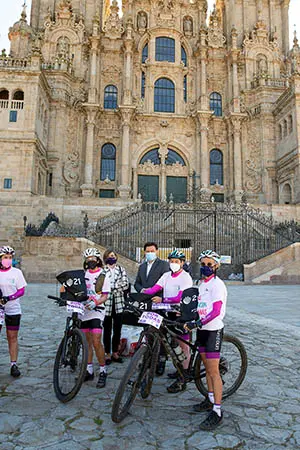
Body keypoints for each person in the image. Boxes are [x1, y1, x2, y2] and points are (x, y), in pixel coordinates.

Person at [184, 249, 227, 431]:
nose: (206, 267)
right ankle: (209, 399)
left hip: (212, 330)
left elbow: (216, 311)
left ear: (216, 266)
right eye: (203, 264)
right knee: (205, 368)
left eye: (209, 264)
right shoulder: (201, 284)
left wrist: (198, 323)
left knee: (213, 371)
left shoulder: (218, 285)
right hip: (201, 330)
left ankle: (217, 411)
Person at [141, 249, 193, 392]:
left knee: (183, 346)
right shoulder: (166, 275)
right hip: (167, 312)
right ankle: (179, 368)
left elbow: (180, 297)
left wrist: (163, 299)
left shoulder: (185, 277)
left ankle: (184, 376)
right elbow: (154, 289)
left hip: (180, 313)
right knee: (171, 342)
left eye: (177, 261)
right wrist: (141, 293)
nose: (173, 264)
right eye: (171, 261)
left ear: (182, 263)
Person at [134, 242, 169, 375]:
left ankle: (161, 360)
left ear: (157, 251)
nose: (150, 253)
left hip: (158, 303)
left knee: (160, 333)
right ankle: (148, 358)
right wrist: (142, 290)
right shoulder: (142, 267)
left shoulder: (163, 265)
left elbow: (167, 283)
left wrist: (160, 297)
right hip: (145, 304)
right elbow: (137, 282)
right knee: (147, 332)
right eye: (147, 251)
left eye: (152, 251)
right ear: (144, 252)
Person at [81, 247, 111, 388]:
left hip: (97, 310)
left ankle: (103, 369)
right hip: (84, 310)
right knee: (87, 342)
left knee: (96, 341)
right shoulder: (84, 274)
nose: (90, 261)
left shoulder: (103, 275)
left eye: (93, 259)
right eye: (88, 259)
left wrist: (96, 302)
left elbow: (105, 295)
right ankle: (89, 369)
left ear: (98, 260)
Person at [0, 246, 27, 377]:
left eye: (10, 258)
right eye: (5, 257)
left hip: (13, 308)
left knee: (12, 337)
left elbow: (21, 290)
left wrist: (9, 297)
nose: (8, 260)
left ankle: (13, 364)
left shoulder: (16, 273)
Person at [102, 249, 129, 364]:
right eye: (109, 255)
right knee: (107, 329)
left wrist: (110, 288)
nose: (112, 257)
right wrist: (113, 287)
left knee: (117, 329)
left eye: (113, 255)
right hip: (106, 303)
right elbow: (100, 284)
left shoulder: (121, 269)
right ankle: (107, 353)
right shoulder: (102, 270)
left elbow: (125, 283)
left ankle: (115, 352)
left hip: (118, 303)